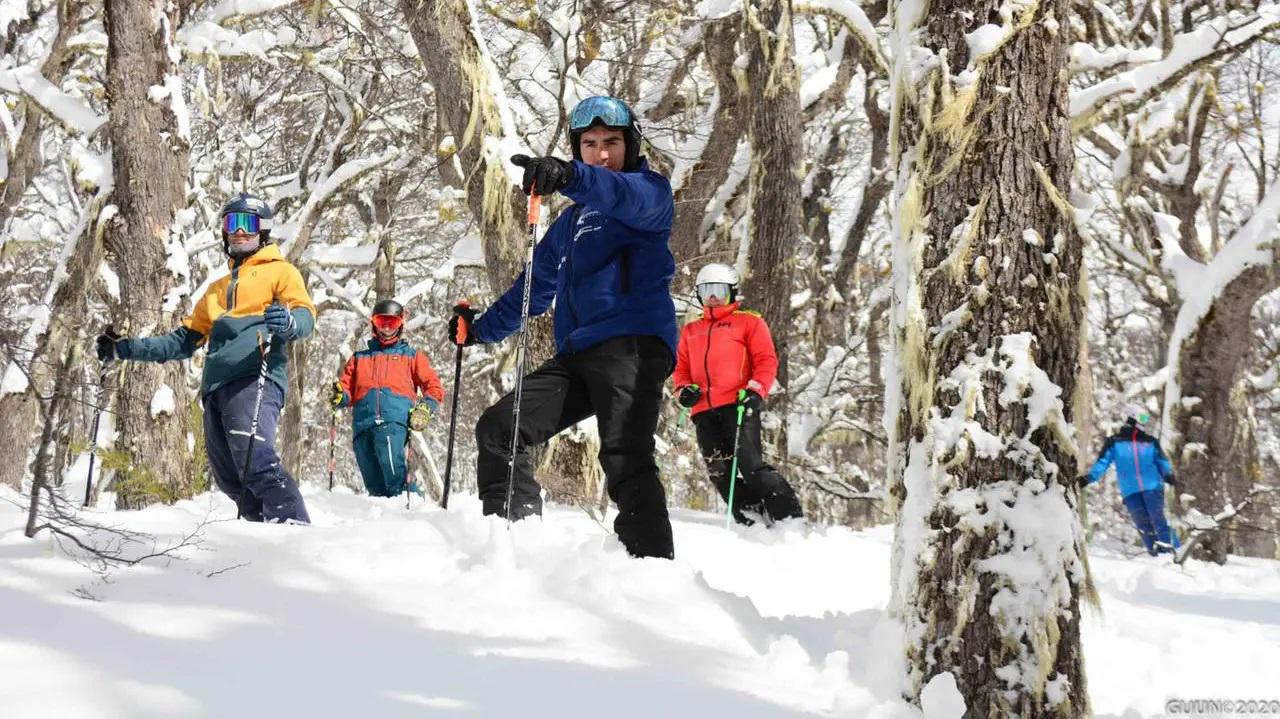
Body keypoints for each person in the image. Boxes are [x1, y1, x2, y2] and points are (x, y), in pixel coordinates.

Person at [448, 94, 677, 559]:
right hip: (577, 356)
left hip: (631, 345)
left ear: (630, 145)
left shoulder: (648, 193)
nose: (602, 153)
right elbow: (531, 290)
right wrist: (478, 331)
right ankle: (515, 548)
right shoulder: (570, 222)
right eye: (589, 145)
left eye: (612, 142)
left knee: (624, 456)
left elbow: (617, 193)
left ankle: (652, 574)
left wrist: (573, 176)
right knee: (499, 430)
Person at [95, 193, 314, 523]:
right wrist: (124, 349)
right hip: (216, 387)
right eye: (232, 223)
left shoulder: (280, 272)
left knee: (255, 458)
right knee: (230, 478)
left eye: (248, 223)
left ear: (263, 230)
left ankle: (294, 529)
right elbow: (183, 341)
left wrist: (289, 323)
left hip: (256, 375)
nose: (239, 231)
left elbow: (305, 315)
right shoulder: (216, 288)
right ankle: (266, 541)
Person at [672, 263, 804, 525]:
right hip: (703, 411)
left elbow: (766, 360)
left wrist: (756, 390)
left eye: (719, 291)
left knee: (751, 466)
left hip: (738, 405)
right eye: (707, 290)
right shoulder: (691, 331)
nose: (713, 297)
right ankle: (751, 520)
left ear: (732, 292)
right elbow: (681, 369)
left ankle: (790, 519)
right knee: (719, 471)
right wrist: (683, 391)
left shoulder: (748, 322)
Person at [330, 299, 444, 497]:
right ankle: (384, 523)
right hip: (362, 425)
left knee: (394, 474)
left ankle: (412, 509)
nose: (386, 329)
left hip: (392, 422)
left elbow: (434, 387)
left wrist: (425, 408)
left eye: (392, 323)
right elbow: (347, 390)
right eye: (382, 322)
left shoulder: (411, 356)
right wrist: (339, 396)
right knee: (373, 484)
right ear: (373, 323)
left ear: (400, 324)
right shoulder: (359, 358)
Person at [1080, 404, 1179, 554]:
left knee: (1157, 518)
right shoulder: (1115, 442)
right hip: (1130, 491)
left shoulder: (1150, 441)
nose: (1145, 422)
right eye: (1143, 418)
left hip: (1152, 487)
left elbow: (1162, 461)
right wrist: (1090, 478)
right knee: (1143, 525)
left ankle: (1172, 552)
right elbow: (1103, 462)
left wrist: (1168, 475)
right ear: (1132, 418)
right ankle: (1156, 556)